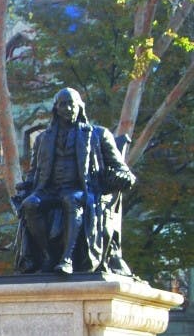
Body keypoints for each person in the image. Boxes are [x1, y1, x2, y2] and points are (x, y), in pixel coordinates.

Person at [14, 87, 135, 276]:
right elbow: (34, 172)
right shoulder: (43, 139)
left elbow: (121, 169)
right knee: (30, 204)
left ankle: (67, 258)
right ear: (56, 109)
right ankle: (49, 255)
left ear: (80, 106)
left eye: (71, 104)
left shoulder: (97, 134)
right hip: (50, 190)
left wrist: (123, 177)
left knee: (71, 199)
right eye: (63, 105)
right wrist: (25, 187)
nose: (68, 108)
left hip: (84, 189)